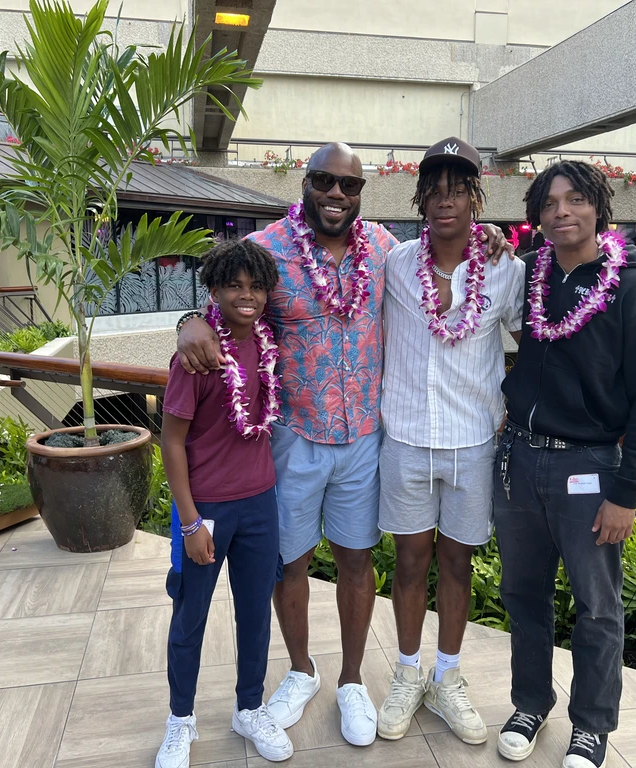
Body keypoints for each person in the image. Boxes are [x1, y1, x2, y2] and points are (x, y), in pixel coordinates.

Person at [174, 142, 510, 747]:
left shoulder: (385, 251)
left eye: (349, 186)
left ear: (362, 194)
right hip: (294, 434)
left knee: (357, 560)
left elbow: (455, 256)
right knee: (290, 561)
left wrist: (491, 240)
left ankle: (353, 680)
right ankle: (302, 671)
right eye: (325, 182)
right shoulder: (273, 247)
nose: (336, 195)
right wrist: (188, 322)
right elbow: (229, 303)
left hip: (364, 438)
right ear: (306, 183)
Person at [494, 161, 636, 768]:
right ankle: (529, 700)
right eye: (549, 203)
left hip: (591, 469)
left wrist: (627, 489)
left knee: (597, 606)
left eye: (575, 200)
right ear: (537, 215)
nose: (562, 211)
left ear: (599, 207)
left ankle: (592, 724)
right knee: (522, 593)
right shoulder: (531, 274)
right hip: (519, 459)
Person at [375, 137, 525, 745]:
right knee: (409, 561)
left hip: (473, 442)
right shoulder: (393, 263)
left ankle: (448, 678)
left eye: (458, 190)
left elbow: (537, 336)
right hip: (406, 438)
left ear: (475, 199)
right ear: (420, 198)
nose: (445, 201)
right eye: (434, 190)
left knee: (457, 562)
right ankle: (408, 674)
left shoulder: (505, 270)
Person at [157, 239, 293, 768]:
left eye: (256, 286)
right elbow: (170, 442)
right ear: (213, 289)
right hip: (206, 507)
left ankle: (249, 707)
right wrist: (190, 523)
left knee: (255, 613)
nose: (247, 295)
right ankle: (179, 721)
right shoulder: (195, 356)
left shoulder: (268, 341)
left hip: (260, 501)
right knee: (190, 618)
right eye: (234, 285)